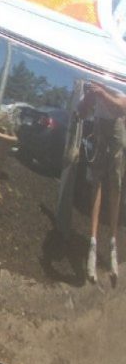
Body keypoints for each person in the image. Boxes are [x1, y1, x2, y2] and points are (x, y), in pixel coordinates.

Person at [78, 81, 126, 284]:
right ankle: (93, 242)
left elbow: (122, 106)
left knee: (115, 182)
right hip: (99, 125)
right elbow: (81, 113)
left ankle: (113, 243)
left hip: (117, 125)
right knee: (97, 182)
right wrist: (89, 98)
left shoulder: (116, 73)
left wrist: (103, 93)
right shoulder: (93, 74)